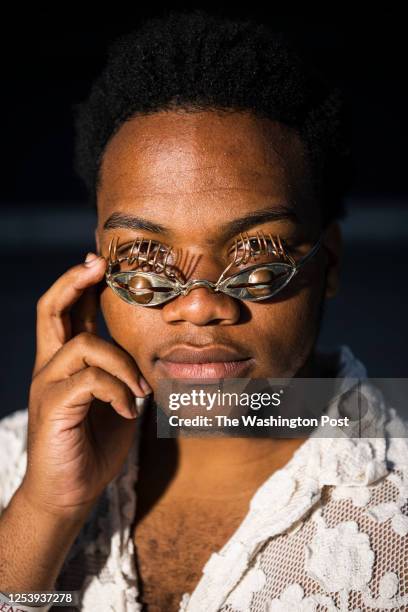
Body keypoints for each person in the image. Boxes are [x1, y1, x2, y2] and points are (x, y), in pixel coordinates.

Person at [1, 10, 407, 612]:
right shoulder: (15, 462)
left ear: (331, 265)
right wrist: (44, 512)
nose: (198, 306)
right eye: (145, 255)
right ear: (95, 273)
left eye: (258, 255)